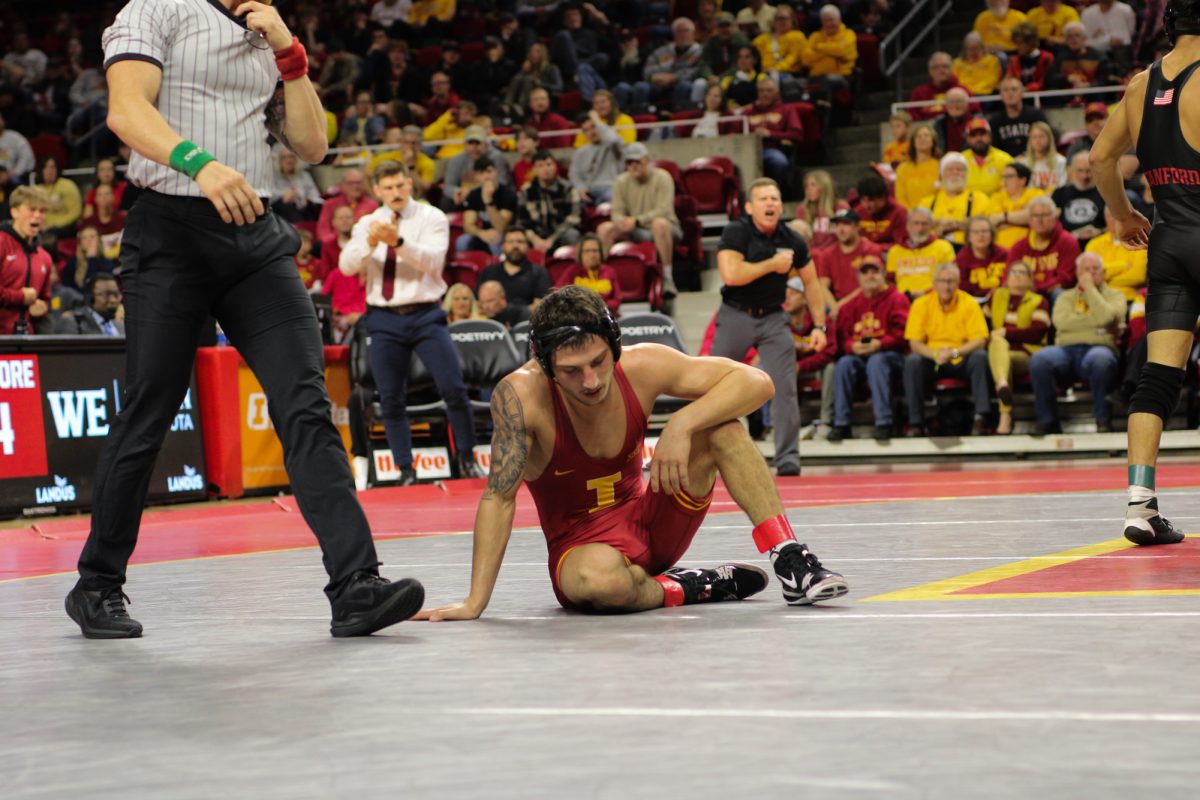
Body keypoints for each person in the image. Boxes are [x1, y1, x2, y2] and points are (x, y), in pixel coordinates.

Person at [68, 0, 425, 640]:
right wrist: (198, 163)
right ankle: (96, 584)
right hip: (170, 232)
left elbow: (314, 144)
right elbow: (125, 110)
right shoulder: (156, 8)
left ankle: (355, 586)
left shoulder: (266, 29)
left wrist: (292, 56)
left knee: (306, 404)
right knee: (149, 409)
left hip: (254, 237)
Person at [414, 285, 848, 621]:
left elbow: (758, 383)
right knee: (603, 583)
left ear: (614, 346)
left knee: (722, 427)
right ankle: (690, 587)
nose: (590, 381)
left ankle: (791, 559)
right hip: (581, 549)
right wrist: (475, 601)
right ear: (546, 366)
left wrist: (682, 422)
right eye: (571, 371)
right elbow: (498, 497)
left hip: (651, 518)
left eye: (599, 362)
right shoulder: (520, 396)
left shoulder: (643, 364)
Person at [1089, 4, 1200, 545]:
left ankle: (1140, 507)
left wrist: (1122, 213)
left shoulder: (1140, 84)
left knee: (1159, 378)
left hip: (1168, 239)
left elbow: (1099, 159)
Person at [341, 160, 484, 488]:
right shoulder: (368, 223)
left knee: (454, 387)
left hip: (425, 314)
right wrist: (371, 243)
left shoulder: (431, 217)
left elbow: (434, 261)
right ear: (377, 190)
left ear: (410, 184)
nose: (396, 193)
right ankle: (405, 470)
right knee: (390, 396)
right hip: (383, 317)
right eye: (388, 187)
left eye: (401, 185)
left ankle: (467, 457)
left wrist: (398, 243)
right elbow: (347, 265)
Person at [711, 178, 827, 476]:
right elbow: (731, 274)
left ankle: (788, 458)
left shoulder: (791, 238)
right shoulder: (737, 231)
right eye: (763, 199)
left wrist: (820, 326)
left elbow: (812, 283)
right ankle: (709, 451)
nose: (771, 204)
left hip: (774, 318)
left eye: (775, 198)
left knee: (784, 387)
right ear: (750, 207)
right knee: (713, 383)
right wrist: (772, 264)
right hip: (737, 314)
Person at [1028, 252, 1125, 433]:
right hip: (1065, 350)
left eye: (1095, 269)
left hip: (1099, 348)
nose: (1090, 274)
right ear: (1078, 273)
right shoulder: (1064, 297)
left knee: (1101, 360)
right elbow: (1061, 323)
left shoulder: (1115, 295)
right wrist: (1098, 325)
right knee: (1039, 359)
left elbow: (1107, 316)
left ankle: (1103, 420)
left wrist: (1090, 291)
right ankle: (1047, 420)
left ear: (1103, 273)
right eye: (1086, 269)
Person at [902, 263, 991, 436]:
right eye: (942, 281)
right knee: (912, 361)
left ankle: (981, 418)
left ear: (958, 283)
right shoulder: (921, 304)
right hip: (933, 360)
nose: (947, 286)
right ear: (934, 284)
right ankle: (915, 423)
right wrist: (935, 355)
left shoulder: (969, 303)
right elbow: (914, 343)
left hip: (961, 357)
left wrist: (955, 353)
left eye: (951, 281)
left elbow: (980, 340)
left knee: (980, 357)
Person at [829, 254, 910, 440]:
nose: (870, 276)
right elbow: (841, 338)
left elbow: (904, 335)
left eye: (875, 272)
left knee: (877, 361)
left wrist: (880, 344)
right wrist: (851, 346)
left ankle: (884, 422)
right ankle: (841, 423)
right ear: (858, 278)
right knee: (844, 363)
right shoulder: (851, 306)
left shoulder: (897, 299)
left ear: (884, 275)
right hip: (859, 355)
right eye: (865, 273)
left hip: (891, 356)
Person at [598, 142, 681, 298]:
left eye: (637, 161)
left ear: (647, 161)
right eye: (629, 162)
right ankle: (602, 278)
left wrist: (636, 220)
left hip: (665, 227)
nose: (633, 166)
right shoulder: (621, 181)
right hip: (633, 228)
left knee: (660, 224)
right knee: (604, 228)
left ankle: (667, 277)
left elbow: (663, 210)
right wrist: (623, 222)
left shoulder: (663, 177)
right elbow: (616, 212)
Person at [987, 260, 1050, 434]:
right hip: (999, 351)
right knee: (997, 344)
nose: (1016, 276)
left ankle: (1005, 412)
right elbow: (984, 324)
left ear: (1030, 279)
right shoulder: (996, 296)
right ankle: (1002, 389)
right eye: (1013, 272)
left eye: (1022, 273)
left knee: (999, 341)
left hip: (1027, 353)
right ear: (1006, 278)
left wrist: (1007, 332)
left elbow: (1037, 332)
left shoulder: (1038, 301)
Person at [0, 186, 52, 335]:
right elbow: (24, 297)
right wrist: (20, 297)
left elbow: (45, 299)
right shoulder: (2, 243)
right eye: (31, 209)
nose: (37, 215)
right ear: (14, 212)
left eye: (42, 211)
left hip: (27, 340)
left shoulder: (45, 258)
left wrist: (42, 308)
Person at [1006, 194, 1081, 295]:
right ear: (1029, 220)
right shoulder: (1019, 247)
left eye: (1045, 215)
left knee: (1058, 293)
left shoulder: (1068, 242)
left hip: (1051, 294)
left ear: (1055, 217)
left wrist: (1036, 288)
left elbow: (1066, 279)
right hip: (1025, 294)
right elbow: (1007, 276)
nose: (1040, 220)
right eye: (1035, 216)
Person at [737, 77, 803, 190]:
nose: (765, 94)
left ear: (777, 92)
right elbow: (734, 132)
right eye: (761, 91)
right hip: (746, 150)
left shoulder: (786, 109)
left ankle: (771, 192)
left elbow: (797, 135)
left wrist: (770, 134)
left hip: (772, 149)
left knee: (778, 161)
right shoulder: (748, 111)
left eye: (769, 90)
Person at [921, 152, 997, 247]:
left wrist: (943, 224)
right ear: (941, 174)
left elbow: (983, 224)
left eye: (960, 169)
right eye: (950, 169)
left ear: (966, 174)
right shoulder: (928, 202)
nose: (955, 173)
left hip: (968, 248)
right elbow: (919, 225)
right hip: (935, 249)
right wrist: (961, 223)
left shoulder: (979, 198)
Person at [815, 207, 882, 314]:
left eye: (846, 224)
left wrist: (841, 307)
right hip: (837, 305)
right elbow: (823, 286)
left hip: (866, 302)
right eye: (837, 225)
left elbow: (869, 284)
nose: (841, 229)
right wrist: (834, 308)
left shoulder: (871, 250)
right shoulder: (827, 254)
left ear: (857, 226)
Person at [518, 150, 582, 255]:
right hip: (537, 236)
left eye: (549, 164)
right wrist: (535, 239)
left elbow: (574, 217)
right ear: (534, 169)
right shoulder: (526, 191)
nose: (546, 169)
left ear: (555, 166)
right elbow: (522, 222)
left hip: (560, 234)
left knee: (572, 235)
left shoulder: (567, 188)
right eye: (540, 166)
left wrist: (552, 239)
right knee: (517, 238)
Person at [886, 207, 956, 297]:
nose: (920, 228)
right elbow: (890, 282)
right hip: (902, 300)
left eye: (924, 224)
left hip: (935, 298)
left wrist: (926, 293)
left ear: (931, 226)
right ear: (908, 226)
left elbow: (951, 279)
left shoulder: (943, 247)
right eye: (916, 223)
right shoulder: (895, 251)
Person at [479, 227, 553, 308]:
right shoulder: (489, 272)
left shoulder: (539, 273)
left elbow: (541, 306)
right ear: (502, 246)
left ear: (527, 246)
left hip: (527, 320)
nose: (515, 246)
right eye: (510, 242)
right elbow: (478, 303)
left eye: (520, 242)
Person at [1085, 206, 1147, 301]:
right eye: (1110, 216)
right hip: (1100, 299)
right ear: (1105, 218)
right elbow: (1089, 277)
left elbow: (1138, 276)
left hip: (1128, 299)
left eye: (1118, 216)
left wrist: (1103, 278)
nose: (1114, 220)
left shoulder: (1140, 243)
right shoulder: (1094, 244)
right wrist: (1122, 266)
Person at [458, 158, 517, 255]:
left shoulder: (508, 194)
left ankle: (500, 268)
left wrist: (488, 200)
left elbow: (501, 226)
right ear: (476, 176)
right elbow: (467, 225)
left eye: (489, 171)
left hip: (507, 232)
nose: (486, 176)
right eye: (481, 173)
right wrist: (481, 233)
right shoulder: (474, 195)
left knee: (495, 240)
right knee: (462, 241)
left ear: (496, 172)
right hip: (484, 232)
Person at [557, 233, 621, 315]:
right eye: (587, 251)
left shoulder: (609, 271)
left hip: (606, 314)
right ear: (580, 254)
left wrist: (601, 307)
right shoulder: (572, 271)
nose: (591, 255)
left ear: (601, 253)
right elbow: (558, 294)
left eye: (595, 251)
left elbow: (617, 298)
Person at [1051, 150, 1106, 246]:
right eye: (1080, 171)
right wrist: (1071, 235)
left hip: (1098, 243)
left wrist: (1100, 231)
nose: (1084, 176)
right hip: (1067, 244)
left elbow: (1116, 225)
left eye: (1088, 171)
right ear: (1070, 170)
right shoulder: (1059, 193)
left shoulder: (1105, 193)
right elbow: (1051, 225)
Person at [987, 75, 1050, 157]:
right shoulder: (994, 120)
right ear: (1001, 95)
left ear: (1022, 92)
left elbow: (1047, 141)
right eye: (1006, 90)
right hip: (1004, 164)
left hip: (1033, 160)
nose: (1010, 93)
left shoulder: (1036, 115)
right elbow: (993, 149)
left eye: (1014, 89)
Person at [570, 112, 623, 206]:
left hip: (610, 187)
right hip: (589, 189)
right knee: (574, 200)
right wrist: (580, 188)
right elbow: (574, 174)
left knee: (614, 198)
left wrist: (597, 121)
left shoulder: (612, 145)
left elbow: (614, 139)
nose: (592, 132)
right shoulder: (580, 152)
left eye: (593, 127)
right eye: (586, 130)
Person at [315, 169, 378, 248]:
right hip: (335, 246)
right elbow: (323, 230)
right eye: (350, 183)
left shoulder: (372, 205)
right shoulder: (330, 204)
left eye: (358, 183)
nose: (355, 186)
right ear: (343, 185)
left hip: (364, 246)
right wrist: (334, 244)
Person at [989, 161, 1042, 249]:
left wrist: (1003, 217)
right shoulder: (997, 197)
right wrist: (1022, 221)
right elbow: (991, 221)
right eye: (1003, 177)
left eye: (1009, 177)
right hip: (1000, 250)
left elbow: (1034, 217)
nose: (1004, 181)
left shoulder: (1036, 194)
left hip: (1030, 249)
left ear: (1023, 180)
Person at [54, 272, 124, 336]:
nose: (113, 300)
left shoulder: (122, 326)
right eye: (106, 294)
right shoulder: (73, 323)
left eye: (116, 294)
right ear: (91, 297)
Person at [956, 215, 1009, 297]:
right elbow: (961, 290)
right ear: (969, 236)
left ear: (992, 235)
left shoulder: (1004, 254)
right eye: (976, 232)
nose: (981, 235)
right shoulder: (962, 258)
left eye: (984, 231)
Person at [854, 172, 909, 249]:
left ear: (883, 197)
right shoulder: (857, 212)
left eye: (871, 200)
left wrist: (874, 248)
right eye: (863, 200)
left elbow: (901, 244)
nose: (866, 205)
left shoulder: (899, 212)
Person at [895, 124, 942, 209]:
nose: (922, 139)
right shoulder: (902, 168)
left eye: (926, 135)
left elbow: (944, 195)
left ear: (933, 141)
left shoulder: (941, 166)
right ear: (913, 142)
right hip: (910, 216)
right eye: (918, 136)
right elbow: (900, 198)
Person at [964, 118, 1014, 197]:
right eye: (974, 135)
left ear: (990, 136)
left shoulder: (1004, 159)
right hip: (967, 205)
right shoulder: (960, 160)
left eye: (982, 134)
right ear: (968, 139)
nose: (979, 139)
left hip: (996, 205)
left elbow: (1010, 189)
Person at [272, 147, 323, 222]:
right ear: (279, 160)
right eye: (284, 157)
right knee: (287, 206)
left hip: (303, 208)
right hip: (282, 208)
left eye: (291, 157)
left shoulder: (304, 175)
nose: (288, 160)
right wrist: (284, 195)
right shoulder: (274, 176)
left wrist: (304, 197)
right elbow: (270, 195)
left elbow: (315, 194)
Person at [907, 52, 963, 120]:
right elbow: (910, 116)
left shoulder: (962, 91)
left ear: (952, 69)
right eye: (936, 67)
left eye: (945, 66)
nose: (941, 70)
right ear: (930, 71)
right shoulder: (918, 93)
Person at [1018, 120, 1067, 191]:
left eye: (1041, 136)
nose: (1038, 140)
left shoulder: (1061, 161)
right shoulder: (1023, 164)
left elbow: (1063, 186)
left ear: (1049, 139)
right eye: (1034, 137)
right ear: (1030, 141)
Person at [953, 32, 1002, 97]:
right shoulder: (957, 63)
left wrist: (974, 91)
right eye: (970, 49)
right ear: (965, 50)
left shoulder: (992, 61)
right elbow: (954, 81)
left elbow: (992, 80)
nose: (973, 52)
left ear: (982, 48)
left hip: (985, 95)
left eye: (976, 48)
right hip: (963, 96)